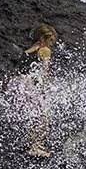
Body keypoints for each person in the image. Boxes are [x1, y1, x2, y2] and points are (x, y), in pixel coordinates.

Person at [23, 23, 57, 158]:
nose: (52, 44)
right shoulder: (45, 50)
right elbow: (44, 74)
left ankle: (31, 142)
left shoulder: (31, 49)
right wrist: (45, 91)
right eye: (51, 41)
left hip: (17, 86)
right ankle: (35, 147)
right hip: (27, 87)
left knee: (33, 114)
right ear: (43, 39)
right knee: (43, 115)